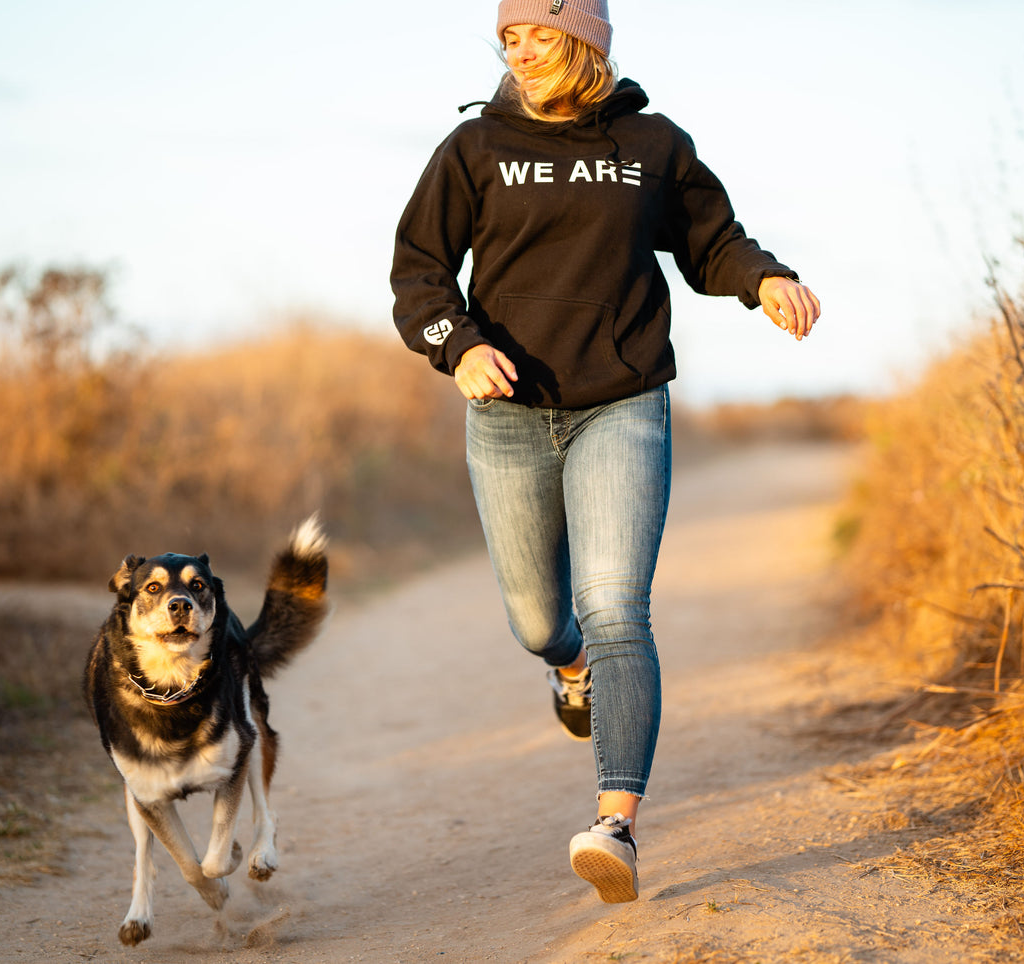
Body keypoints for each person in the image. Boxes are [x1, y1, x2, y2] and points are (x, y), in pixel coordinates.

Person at [389, 0, 820, 904]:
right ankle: (569, 669)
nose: (520, 49)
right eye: (508, 36)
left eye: (537, 31)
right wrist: (457, 344)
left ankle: (614, 822)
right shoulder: (472, 150)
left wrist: (765, 278)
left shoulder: (653, 144)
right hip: (507, 412)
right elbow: (419, 269)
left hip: (622, 403)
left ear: (584, 38)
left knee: (618, 606)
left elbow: (712, 243)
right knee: (541, 622)